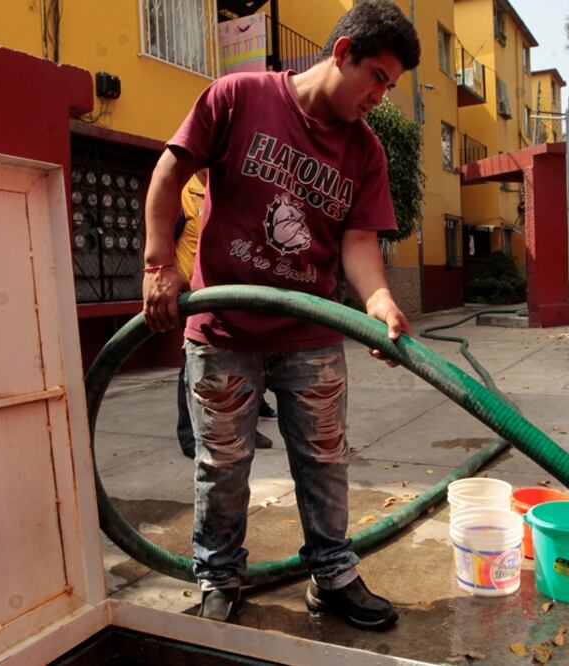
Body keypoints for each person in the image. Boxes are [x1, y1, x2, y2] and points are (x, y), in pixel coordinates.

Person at [142, 0, 419, 629]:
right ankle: (219, 574)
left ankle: (333, 574)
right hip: (222, 330)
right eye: (376, 76)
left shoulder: (364, 150)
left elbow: (357, 241)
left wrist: (377, 302)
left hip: (311, 334)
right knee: (222, 466)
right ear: (342, 51)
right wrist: (160, 264)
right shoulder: (237, 97)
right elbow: (169, 172)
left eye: (391, 86)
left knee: (325, 459)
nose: (381, 95)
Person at [172, 170, 275, 458]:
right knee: (193, 365)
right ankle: (189, 434)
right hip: (194, 297)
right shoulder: (184, 193)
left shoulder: (230, 189)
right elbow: (167, 241)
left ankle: (245, 429)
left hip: (232, 293)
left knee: (243, 363)